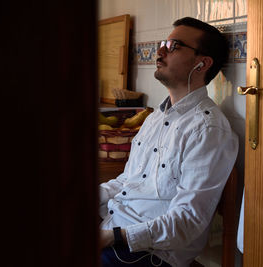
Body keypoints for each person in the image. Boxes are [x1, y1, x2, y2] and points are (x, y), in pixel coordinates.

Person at [99, 17, 238, 267]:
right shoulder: (155, 117)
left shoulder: (209, 129)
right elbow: (127, 182)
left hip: (148, 253)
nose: (160, 50)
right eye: (165, 42)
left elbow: (188, 220)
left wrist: (113, 237)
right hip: (112, 226)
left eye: (174, 46)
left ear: (202, 63)